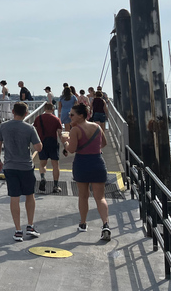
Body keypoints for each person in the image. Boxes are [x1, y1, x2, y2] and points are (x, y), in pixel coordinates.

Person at [62, 103, 111, 241]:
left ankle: (83, 224)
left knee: (83, 196)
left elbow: (71, 149)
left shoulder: (75, 130)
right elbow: (104, 143)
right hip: (97, 162)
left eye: (72, 114)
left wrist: (65, 142)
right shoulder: (96, 127)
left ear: (81, 115)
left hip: (82, 163)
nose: (69, 116)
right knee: (100, 197)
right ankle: (105, 225)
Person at [0, 102, 43, 241]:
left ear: (12, 111)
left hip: (9, 166)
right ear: (26, 113)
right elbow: (38, 147)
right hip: (26, 167)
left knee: (14, 197)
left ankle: (17, 230)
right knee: (29, 195)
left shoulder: (3, 127)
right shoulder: (30, 128)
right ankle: (30, 225)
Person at [34, 103, 63, 193]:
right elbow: (60, 133)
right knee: (55, 165)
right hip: (53, 143)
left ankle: (43, 177)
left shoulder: (38, 118)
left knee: (42, 163)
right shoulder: (56, 119)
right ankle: (55, 185)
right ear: (53, 109)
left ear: (45, 109)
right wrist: (65, 145)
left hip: (42, 143)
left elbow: (34, 130)